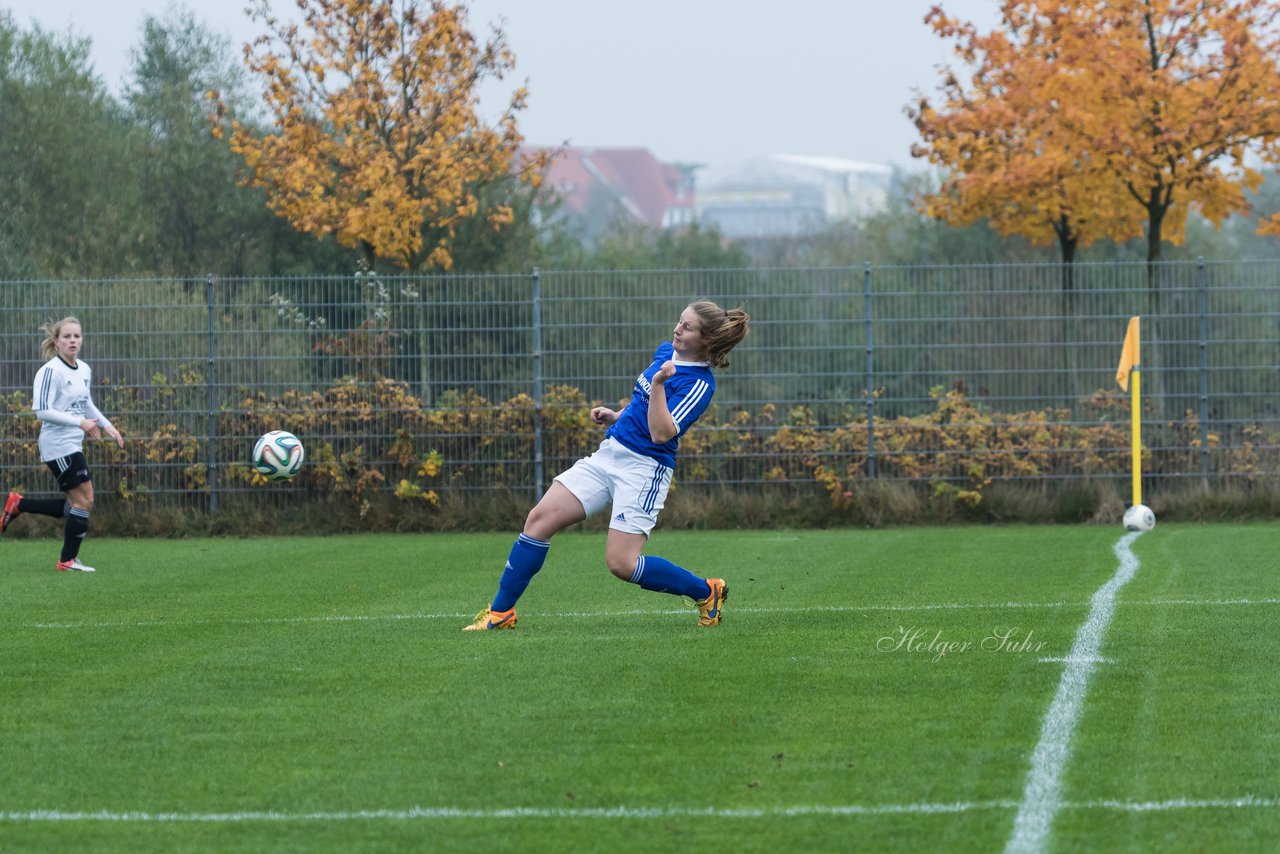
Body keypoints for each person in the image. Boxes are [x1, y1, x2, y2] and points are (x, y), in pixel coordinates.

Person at [464, 299, 751, 631]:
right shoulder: (665, 353)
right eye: (679, 321)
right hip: (610, 453)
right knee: (539, 520)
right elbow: (643, 405)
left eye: (687, 327)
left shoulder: (699, 385)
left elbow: (661, 433)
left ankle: (706, 591)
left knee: (621, 563)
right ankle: (501, 614)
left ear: (706, 340)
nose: (677, 329)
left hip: (645, 469)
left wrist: (658, 384)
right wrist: (618, 415)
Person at [1, 317, 124, 572]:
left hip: (73, 445)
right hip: (57, 446)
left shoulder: (84, 370)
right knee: (85, 499)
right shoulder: (50, 371)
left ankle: (19, 504)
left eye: (76, 336)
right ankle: (67, 561)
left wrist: (106, 424)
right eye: (66, 337)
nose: (72, 341)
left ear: (82, 340)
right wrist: (80, 423)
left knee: (76, 504)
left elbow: (86, 402)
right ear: (56, 342)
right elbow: (41, 411)